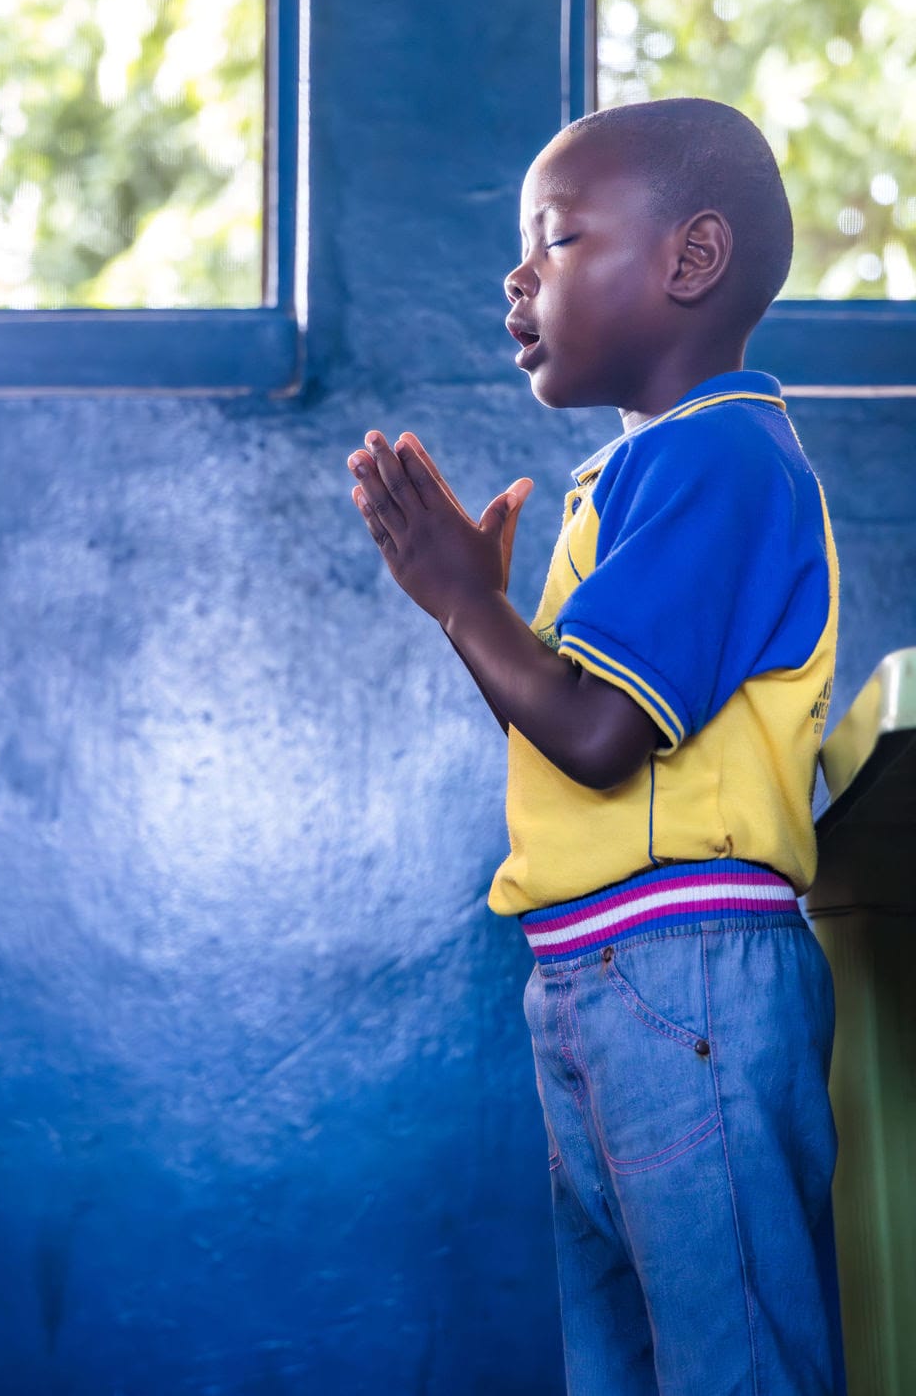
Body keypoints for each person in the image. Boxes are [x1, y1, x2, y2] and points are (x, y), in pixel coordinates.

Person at [346, 97, 845, 1396]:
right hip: (597, 977)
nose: (516, 277)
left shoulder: (725, 459)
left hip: (687, 976)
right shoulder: (636, 478)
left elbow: (600, 737)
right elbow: (565, 736)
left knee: (736, 1364)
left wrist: (469, 602)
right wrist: (475, 613)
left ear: (690, 262)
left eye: (557, 240)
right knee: (627, 1366)